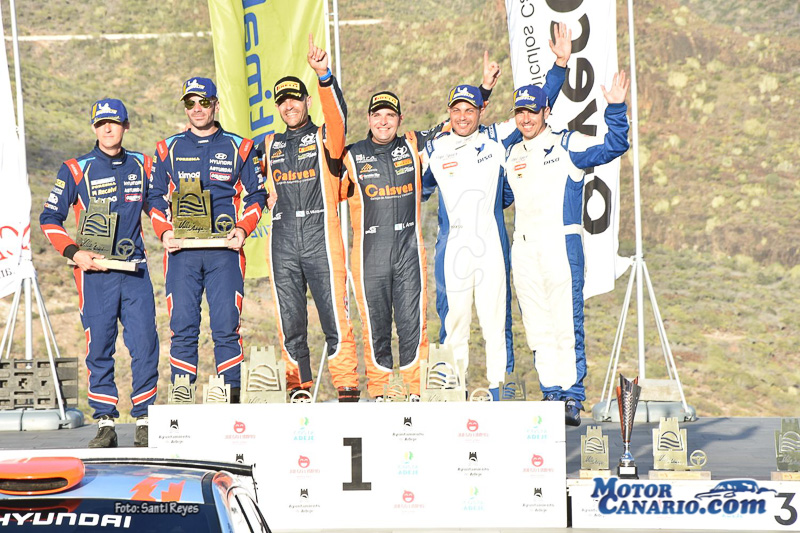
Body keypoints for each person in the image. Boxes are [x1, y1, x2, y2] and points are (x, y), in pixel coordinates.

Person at [421, 23, 571, 400]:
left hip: (491, 249)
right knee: (454, 323)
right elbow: (407, 188)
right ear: (449, 113)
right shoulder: (434, 149)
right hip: (453, 251)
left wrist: (559, 67)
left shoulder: (496, 138)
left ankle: (498, 392)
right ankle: (450, 394)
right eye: (456, 110)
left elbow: (534, 110)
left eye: (470, 109)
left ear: (480, 110)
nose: (463, 116)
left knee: (495, 324)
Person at [504, 71, 631, 425]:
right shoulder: (511, 154)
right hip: (524, 250)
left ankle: (572, 396)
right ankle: (551, 392)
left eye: (532, 111)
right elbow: (501, 198)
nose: (526, 118)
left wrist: (616, 108)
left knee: (565, 322)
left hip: (561, 244)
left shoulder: (567, 143)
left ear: (546, 111)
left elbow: (614, 146)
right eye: (520, 112)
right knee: (536, 325)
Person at [40, 98, 159, 447]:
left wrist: (173, 230)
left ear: (126, 126)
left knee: (145, 344)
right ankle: (105, 421)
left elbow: (160, 207)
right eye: (101, 123)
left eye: (114, 122)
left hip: (134, 271)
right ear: (94, 128)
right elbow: (49, 218)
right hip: (94, 274)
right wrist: (74, 253)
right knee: (100, 346)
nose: (107, 128)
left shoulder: (143, 165)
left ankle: (145, 419)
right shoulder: (75, 169)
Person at [147, 77, 267, 403]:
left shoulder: (241, 147)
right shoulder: (167, 148)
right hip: (182, 252)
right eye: (190, 103)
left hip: (224, 252)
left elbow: (257, 195)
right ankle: (182, 398)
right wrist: (165, 231)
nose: (197, 109)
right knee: (182, 326)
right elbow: (154, 197)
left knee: (226, 326)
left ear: (216, 104)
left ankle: (232, 398)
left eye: (204, 102)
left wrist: (242, 229)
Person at [258, 35, 360, 402]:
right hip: (283, 241)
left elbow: (339, 120)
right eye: (282, 101)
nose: (289, 106)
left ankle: (346, 386)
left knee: (335, 318)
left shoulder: (324, 137)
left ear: (306, 101)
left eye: (294, 99)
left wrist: (324, 76)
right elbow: (243, 181)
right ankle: (298, 386)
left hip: (322, 238)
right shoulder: (269, 145)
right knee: (290, 320)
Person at [340, 92, 428, 400]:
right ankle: (380, 390)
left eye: (390, 115)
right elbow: (321, 187)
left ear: (400, 119)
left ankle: (415, 389)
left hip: (408, 253)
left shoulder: (414, 145)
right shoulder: (351, 156)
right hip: (369, 256)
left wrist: (484, 90)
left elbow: (457, 125)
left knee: (412, 323)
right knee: (375, 326)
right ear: (368, 119)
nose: (383, 121)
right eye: (377, 115)